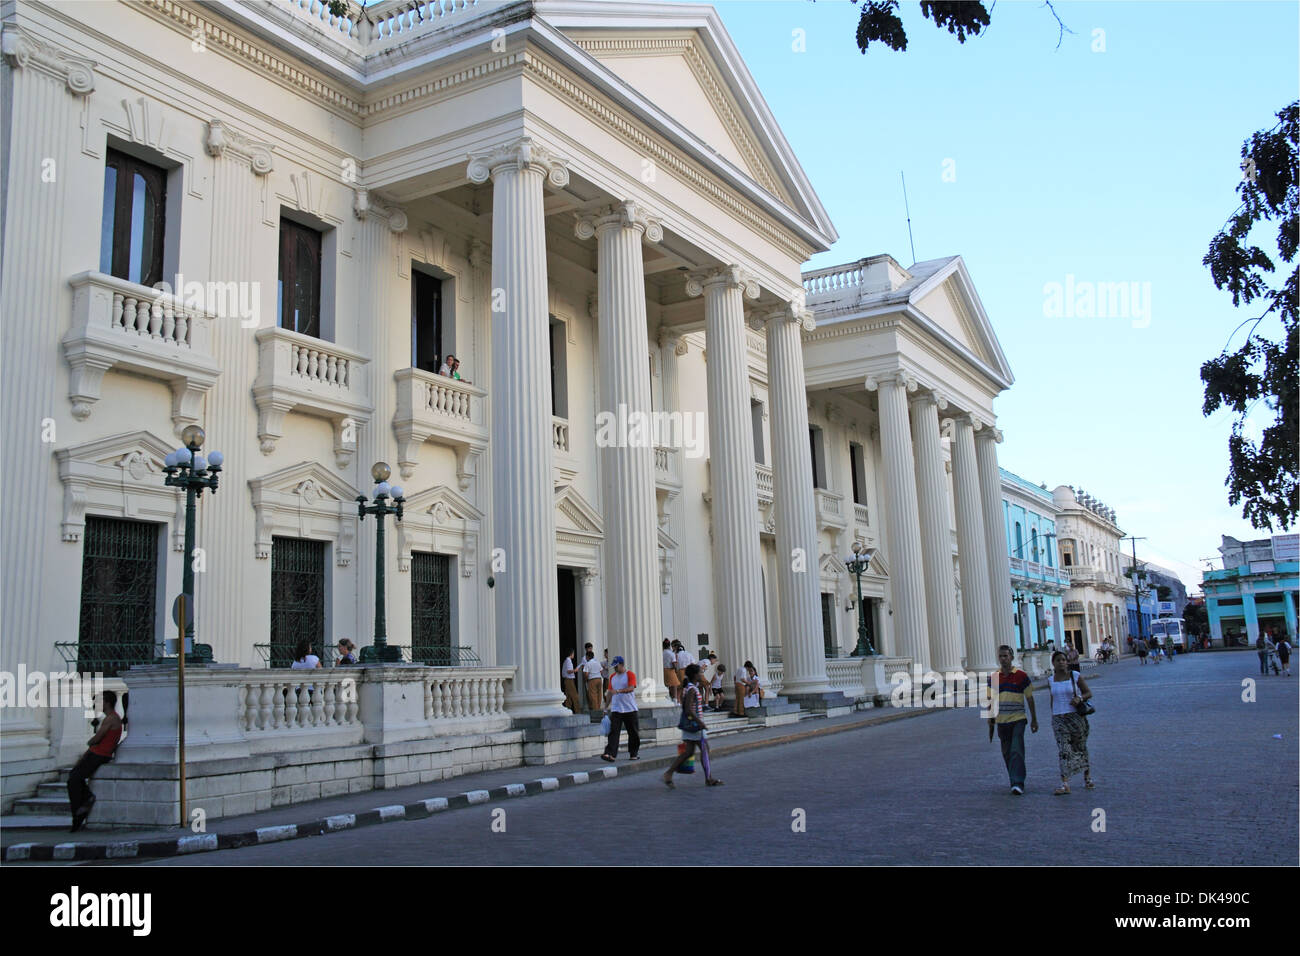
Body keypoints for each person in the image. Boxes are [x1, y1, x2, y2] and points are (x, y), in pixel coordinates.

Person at [68, 690, 124, 832]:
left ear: (107, 703)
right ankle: (81, 806)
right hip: (96, 753)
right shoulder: (110, 718)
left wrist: (90, 741)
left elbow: (97, 739)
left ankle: (81, 808)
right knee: (74, 777)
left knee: (74, 779)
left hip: (100, 754)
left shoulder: (111, 718)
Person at [987, 645, 1038, 795]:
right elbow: (990, 700)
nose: (1003, 659)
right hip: (1001, 720)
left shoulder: (1021, 676)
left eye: (1005, 656)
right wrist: (990, 721)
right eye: (1001, 656)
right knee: (1007, 752)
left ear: (1012, 657)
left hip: (1018, 719)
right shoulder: (994, 678)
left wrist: (1034, 719)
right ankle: (1013, 778)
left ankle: (1017, 782)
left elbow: (1029, 698)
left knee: (1016, 749)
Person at [663, 664, 722, 788]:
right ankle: (708, 778)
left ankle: (669, 773)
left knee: (688, 752)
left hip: (691, 725)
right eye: (700, 673)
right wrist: (700, 722)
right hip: (695, 726)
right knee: (704, 749)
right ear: (695, 675)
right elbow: (689, 709)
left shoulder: (689, 687)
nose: (702, 675)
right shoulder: (692, 689)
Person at [1047, 650, 1094, 795]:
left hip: (1075, 717)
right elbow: (1052, 699)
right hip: (1058, 719)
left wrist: (1079, 698)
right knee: (1063, 750)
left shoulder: (1075, 676)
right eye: (1058, 660)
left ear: (1067, 662)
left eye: (1063, 660)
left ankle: (1087, 777)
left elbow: (1088, 693)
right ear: (1053, 663)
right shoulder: (1050, 680)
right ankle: (1065, 783)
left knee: (1080, 747)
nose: (1061, 662)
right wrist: (1053, 715)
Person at [601, 656, 640, 761]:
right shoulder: (612, 677)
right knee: (613, 731)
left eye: (616, 666)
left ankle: (633, 753)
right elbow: (609, 693)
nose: (615, 669)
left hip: (630, 709)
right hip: (616, 709)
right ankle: (610, 754)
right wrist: (605, 708)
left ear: (622, 665)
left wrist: (618, 691)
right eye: (614, 667)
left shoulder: (630, 675)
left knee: (633, 733)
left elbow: (631, 688)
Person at [663, 638, 681, 703]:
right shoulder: (671, 653)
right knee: (675, 685)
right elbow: (674, 663)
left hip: (663, 670)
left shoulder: (662, 653)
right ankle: (675, 700)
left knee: (666, 685)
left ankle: (667, 698)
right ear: (669, 646)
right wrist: (676, 670)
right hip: (670, 670)